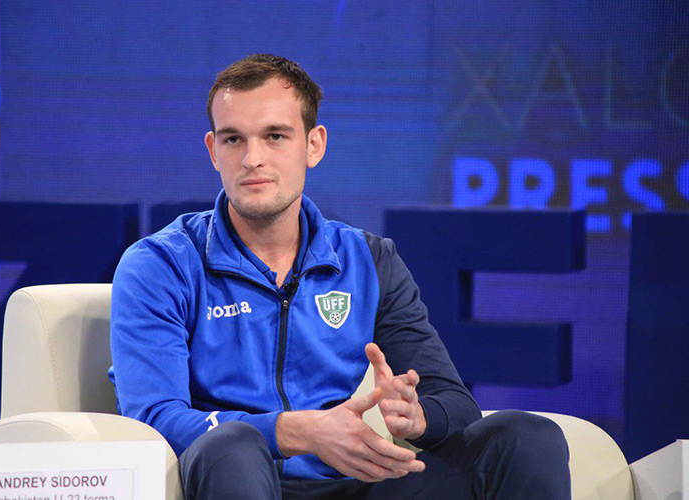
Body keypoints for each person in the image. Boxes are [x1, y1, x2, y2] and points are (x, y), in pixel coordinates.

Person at [109, 54, 570, 500]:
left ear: (314, 145)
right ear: (213, 151)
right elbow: (154, 418)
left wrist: (417, 417)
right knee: (232, 446)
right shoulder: (161, 264)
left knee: (526, 437)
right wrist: (295, 431)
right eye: (233, 139)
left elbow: (453, 402)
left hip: (355, 482)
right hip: (234, 479)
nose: (252, 158)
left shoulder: (367, 259)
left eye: (275, 136)